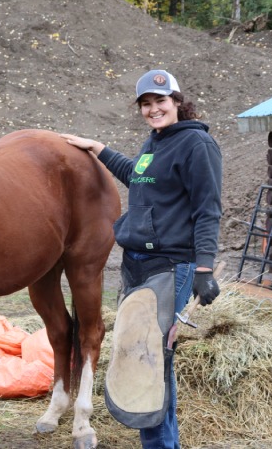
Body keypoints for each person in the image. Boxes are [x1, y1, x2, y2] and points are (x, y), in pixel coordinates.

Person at [61, 69, 222, 449]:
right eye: (146, 104)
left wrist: (204, 268)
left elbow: (208, 209)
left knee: (150, 362)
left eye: (161, 101)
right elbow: (137, 175)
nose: (153, 110)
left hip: (171, 267)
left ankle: (161, 446)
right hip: (138, 263)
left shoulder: (196, 145)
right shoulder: (156, 142)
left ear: (178, 102)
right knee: (149, 360)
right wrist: (98, 149)